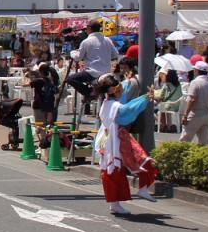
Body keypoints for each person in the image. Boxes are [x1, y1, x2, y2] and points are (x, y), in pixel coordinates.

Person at [93, 74, 159, 215]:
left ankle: (119, 201)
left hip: (111, 137)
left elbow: (126, 106)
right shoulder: (115, 106)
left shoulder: (106, 103)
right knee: (131, 164)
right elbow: (129, 111)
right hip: (116, 138)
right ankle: (140, 190)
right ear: (114, 90)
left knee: (117, 169)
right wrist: (146, 98)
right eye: (120, 87)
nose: (122, 90)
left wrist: (145, 97)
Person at [67, 20, 118, 105]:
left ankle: (90, 93)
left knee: (70, 79)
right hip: (107, 73)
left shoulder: (86, 41)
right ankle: (92, 93)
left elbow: (78, 57)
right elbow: (115, 55)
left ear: (89, 28)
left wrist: (72, 53)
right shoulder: (107, 40)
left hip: (92, 73)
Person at [180, 61, 208, 144]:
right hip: (207, 115)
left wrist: (185, 115)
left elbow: (192, 99)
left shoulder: (195, 83)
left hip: (195, 113)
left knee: (185, 140)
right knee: (203, 142)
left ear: (196, 71)